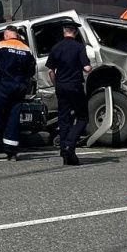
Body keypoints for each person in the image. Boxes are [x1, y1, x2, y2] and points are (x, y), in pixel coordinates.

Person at [0, 25, 36, 160]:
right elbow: (32, 69)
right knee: (14, 117)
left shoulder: (1, 45)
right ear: (16, 35)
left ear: (6, 34)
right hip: (19, 87)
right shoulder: (26, 49)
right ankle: (11, 151)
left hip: (4, 85)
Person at [45, 21, 93, 166]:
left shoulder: (56, 47)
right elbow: (86, 68)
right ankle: (69, 145)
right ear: (76, 32)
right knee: (82, 117)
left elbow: (50, 71)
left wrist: (56, 84)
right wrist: (90, 67)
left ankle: (65, 152)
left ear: (64, 31)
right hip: (75, 87)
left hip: (61, 87)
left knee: (64, 118)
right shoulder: (79, 47)